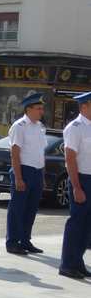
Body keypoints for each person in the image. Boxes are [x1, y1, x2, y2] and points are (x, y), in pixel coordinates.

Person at [5, 93, 47, 255]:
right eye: (38, 108)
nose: (41, 111)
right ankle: (12, 242)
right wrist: (18, 177)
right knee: (17, 208)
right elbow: (15, 153)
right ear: (28, 109)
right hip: (23, 170)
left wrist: (42, 175)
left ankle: (25, 240)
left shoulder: (40, 127)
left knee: (31, 209)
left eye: (42, 108)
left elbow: (40, 153)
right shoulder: (19, 126)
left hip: (37, 171)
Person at [58, 91, 91, 279]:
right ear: (84, 106)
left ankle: (78, 262)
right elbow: (70, 159)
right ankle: (67, 264)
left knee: (87, 226)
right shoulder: (75, 128)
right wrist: (77, 187)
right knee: (77, 223)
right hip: (81, 179)